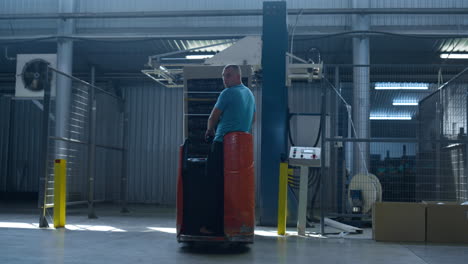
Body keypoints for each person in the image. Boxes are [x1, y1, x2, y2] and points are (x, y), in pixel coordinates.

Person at [200, 64, 256, 235]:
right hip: (240, 148)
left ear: (238, 76)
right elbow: (252, 120)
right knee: (234, 188)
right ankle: (234, 224)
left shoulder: (228, 93)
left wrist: (210, 130)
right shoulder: (250, 94)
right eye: (223, 76)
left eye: (228, 75)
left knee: (212, 185)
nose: (225, 79)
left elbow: (213, 117)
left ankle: (211, 226)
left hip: (222, 144)